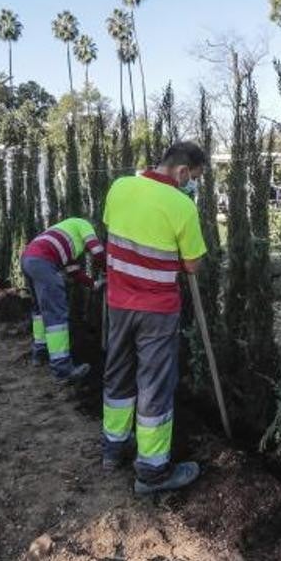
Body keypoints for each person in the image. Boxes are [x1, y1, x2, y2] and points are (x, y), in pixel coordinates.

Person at [101, 142, 207, 494]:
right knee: (154, 387)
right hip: (157, 312)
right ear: (181, 172)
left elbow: (114, 233)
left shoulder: (119, 187)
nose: (192, 184)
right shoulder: (182, 205)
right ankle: (152, 472)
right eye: (193, 178)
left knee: (118, 374)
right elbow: (192, 264)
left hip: (117, 303)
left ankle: (112, 450)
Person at [21, 217, 105, 382]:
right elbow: (97, 251)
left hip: (28, 259)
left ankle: (40, 353)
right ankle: (62, 370)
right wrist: (110, 270)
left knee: (39, 310)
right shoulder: (84, 224)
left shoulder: (67, 240)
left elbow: (74, 271)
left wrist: (94, 284)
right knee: (56, 315)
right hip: (43, 262)